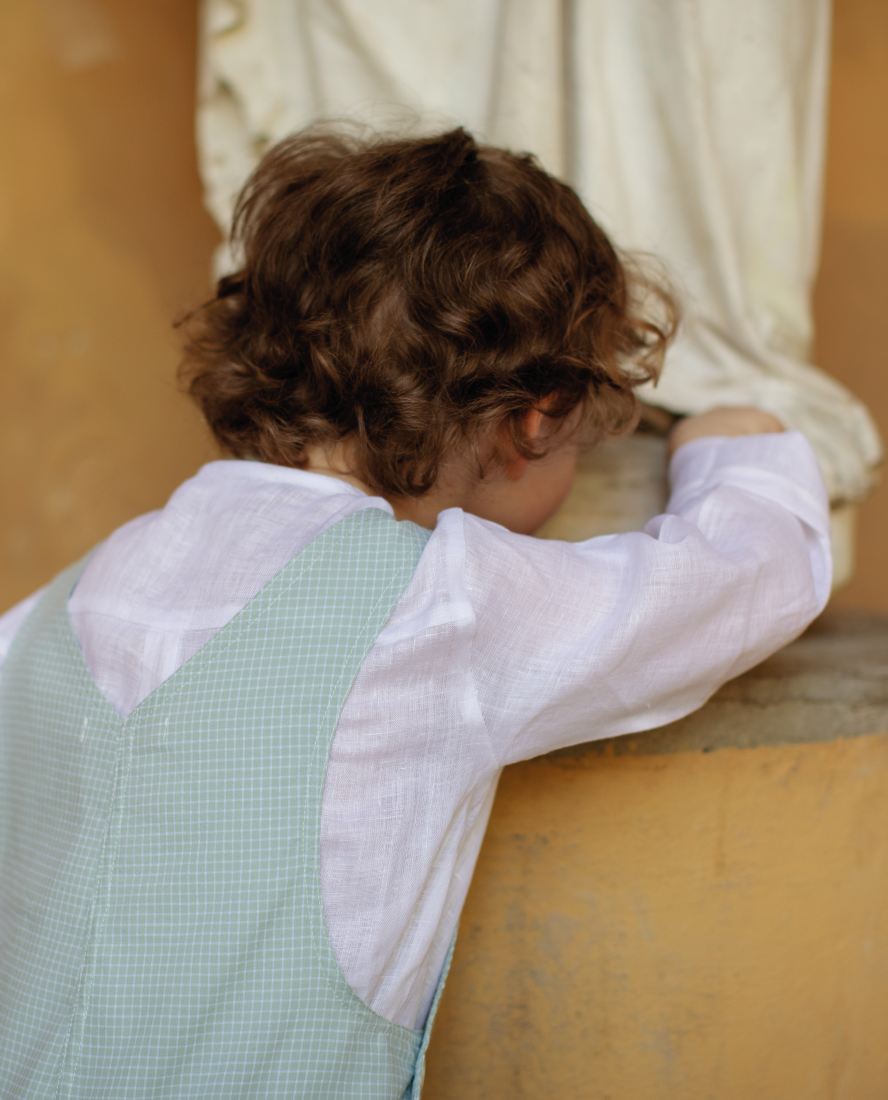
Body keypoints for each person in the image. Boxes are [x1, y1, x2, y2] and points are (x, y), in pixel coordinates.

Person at [0, 127, 830, 1098]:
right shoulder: (438, 609)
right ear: (533, 420)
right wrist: (738, 448)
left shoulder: (53, 611)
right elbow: (743, 583)